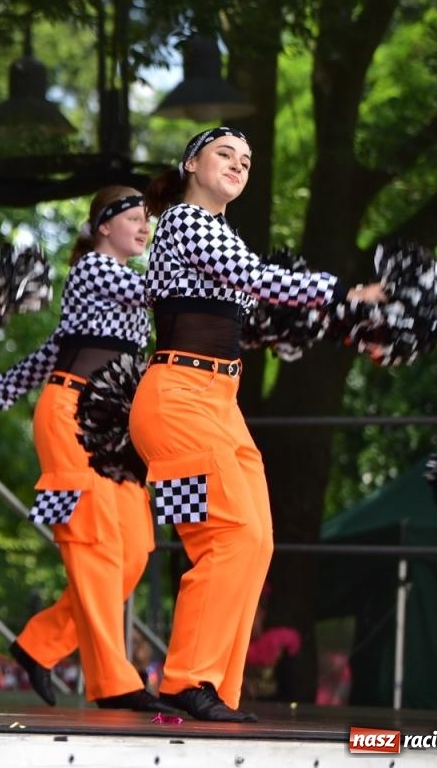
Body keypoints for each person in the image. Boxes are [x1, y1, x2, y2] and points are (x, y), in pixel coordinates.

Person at [130, 126, 383, 722]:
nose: (239, 164)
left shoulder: (221, 237)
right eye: (225, 154)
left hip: (218, 402)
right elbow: (262, 280)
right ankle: (187, 680)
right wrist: (349, 294)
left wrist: (342, 325)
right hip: (179, 400)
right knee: (231, 536)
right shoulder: (186, 223)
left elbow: (260, 306)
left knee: (254, 541)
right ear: (192, 162)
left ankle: (213, 686)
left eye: (247, 160)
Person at [0, 185, 164, 712]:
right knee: (95, 545)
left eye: (146, 219)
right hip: (68, 418)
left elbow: (53, 348)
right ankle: (115, 682)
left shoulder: (119, 289)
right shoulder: (94, 269)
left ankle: (39, 646)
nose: (143, 225)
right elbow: (157, 291)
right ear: (103, 227)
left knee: (134, 551)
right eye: (132, 217)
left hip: (114, 429)